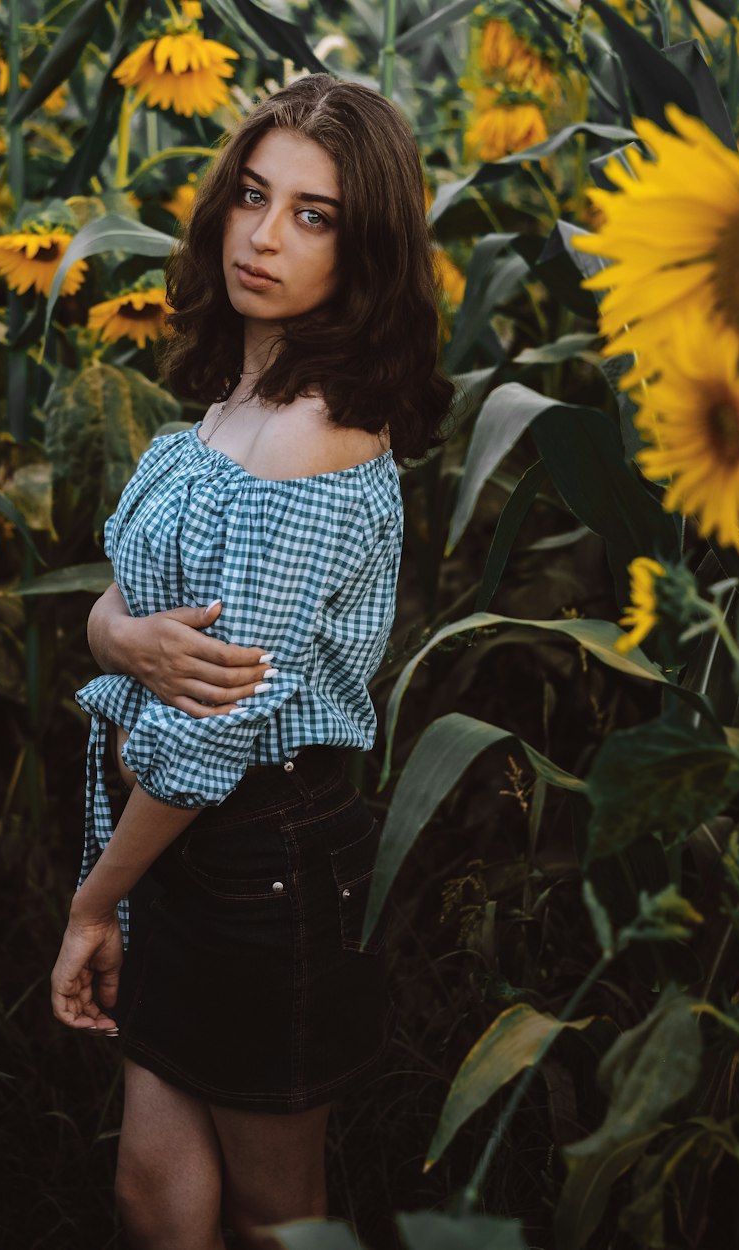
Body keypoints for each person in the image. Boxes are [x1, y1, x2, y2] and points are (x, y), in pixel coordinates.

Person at [50, 73, 454, 1249]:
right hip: (181, 842)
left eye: (313, 214)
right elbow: (132, 586)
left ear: (364, 248)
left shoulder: (310, 439)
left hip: (256, 859)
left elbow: (209, 730)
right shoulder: (238, 395)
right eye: (251, 196)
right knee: (155, 1196)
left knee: (282, 1214)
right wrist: (111, 635)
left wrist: (92, 900)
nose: (264, 237)